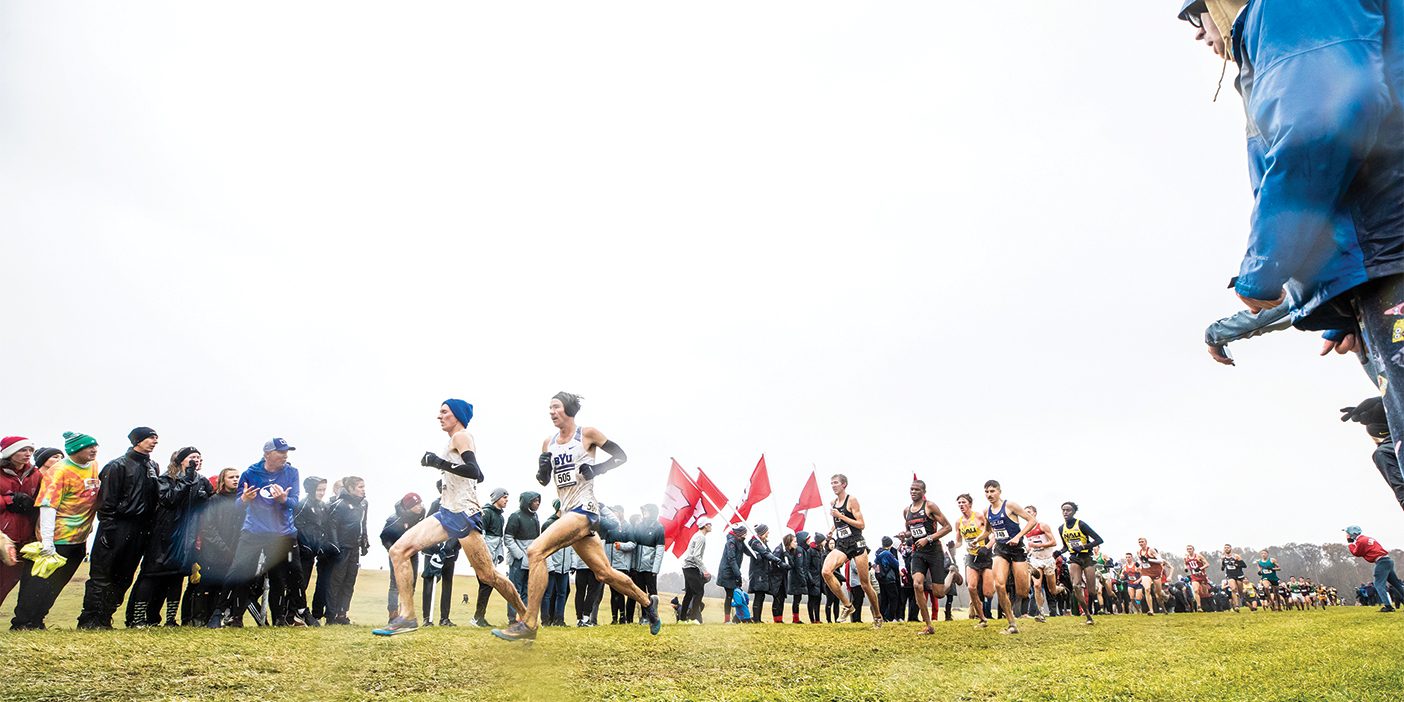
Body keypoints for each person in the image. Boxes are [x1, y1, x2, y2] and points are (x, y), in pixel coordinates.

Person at [492, 391, 660, 642]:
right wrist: (542, 469)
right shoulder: (548, 443)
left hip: (586, 509)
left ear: (569, 409)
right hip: (569, 511)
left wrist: (596, 469)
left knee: (535, 551)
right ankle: (648, 603)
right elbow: (544, 480)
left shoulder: (587, 434)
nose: (551, 412)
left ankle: (529, 623)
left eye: (556, 407)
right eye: (549, 408)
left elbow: (620, 456)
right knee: (603, 573)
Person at [377, 400, 528, 636]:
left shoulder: (462, 436)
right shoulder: (455, 440)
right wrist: (448, 475)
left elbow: (475, 471)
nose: (439, 416)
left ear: (456, 415)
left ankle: (526, 617)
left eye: (444, 412)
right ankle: (407, 617)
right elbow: (479, 476)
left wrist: (439, 463)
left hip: (464, 515)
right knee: (398, 551)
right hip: (448, 512)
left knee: (488, 575)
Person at [208, 438, 305, 628]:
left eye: (287, 452)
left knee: (280, 576)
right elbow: (237, 506)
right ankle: (226, 614)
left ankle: (280, 618)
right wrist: (244, 499)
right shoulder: (250, 473)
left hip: (282, 534)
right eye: (281, 452)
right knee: (240, 572)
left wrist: (284, 499)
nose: (285, 455)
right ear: (267, 454)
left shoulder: (292, 472)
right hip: (254, 532)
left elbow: (294, 502)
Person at [11, 433, 101, 630]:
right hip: (58, 538)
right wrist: (48, 541)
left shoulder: (93, 465)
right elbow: (47, 506)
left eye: (95, 446)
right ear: (75, 450)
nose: (94, 450)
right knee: (38, 584)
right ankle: (22, 623)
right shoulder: (59, 471)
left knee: (57, 585)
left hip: (79, 538)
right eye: (88, 447)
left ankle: (38, 621)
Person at [78, 426, 160, 629]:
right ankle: (90, 619)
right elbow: (107, 500)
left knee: (125, 575)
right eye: (150, 438)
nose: (154, 441)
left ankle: (106, 616)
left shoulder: (152, 467)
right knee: (103, 573)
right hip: (119, 524)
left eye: (156, 438)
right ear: (137, 440)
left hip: (142, 527)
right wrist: (108, 527)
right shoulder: (117, 466)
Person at [129, 447, 213, 626]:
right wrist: (187, 478)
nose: (196, 460)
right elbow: (169, 500)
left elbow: (208, 505)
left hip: (186, 535)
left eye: (198, 457)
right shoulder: (166, 479)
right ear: (181, 460)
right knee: (151, 575)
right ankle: (138, 618)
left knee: (177, 576)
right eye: (192, 457)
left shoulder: (202, 481)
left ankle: (170, 619)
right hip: (164, 534)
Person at [819, 474, 882, 627]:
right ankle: (848, 605)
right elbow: (839, 521)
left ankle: (878, 616)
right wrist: (832, 529)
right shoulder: (833, 502)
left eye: (836, 483)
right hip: (842, 544)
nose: (833, 486)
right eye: (831, 483)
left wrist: (840, 515)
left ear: (844, 484)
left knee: (865, 584)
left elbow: (861, 524)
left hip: (857, 543)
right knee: (826, 572)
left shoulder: (851, 500)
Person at [188, 467, 242, 626]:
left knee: (224, 586)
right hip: (213, 552)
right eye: (231, 477)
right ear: (222, 480)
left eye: (238, 476)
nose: (235, 479)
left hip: (234, 550)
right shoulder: (214, 501)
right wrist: (224, 548)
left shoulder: (241, 502)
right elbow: (208, 528)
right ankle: (199, 619)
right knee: (206, 586)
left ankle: (218, 618)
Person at [982, 480, 1036, 634]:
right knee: (999, 585)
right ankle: (1012, 624)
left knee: (1022, 592)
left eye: (992, 491)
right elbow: (988, 531)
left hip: (1017, 549)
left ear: (999, 491)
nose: (989, 495)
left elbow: (1032, 521)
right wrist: (976, 540)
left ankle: (1029, 570)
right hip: (1000, 550)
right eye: (986, 492)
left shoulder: (1010, 505)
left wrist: (1018, 536)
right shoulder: (987, 511)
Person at [901, 479, 952, 635]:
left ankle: (952, 574)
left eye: (917, 489)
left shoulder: (930, 506)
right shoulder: (906, 510)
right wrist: (905, 535)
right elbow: (911, 531)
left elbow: (947, 527)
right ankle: (928, 625)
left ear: (923, 492)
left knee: (939, 593)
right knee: (917, 585)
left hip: (934, 550)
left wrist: (929, 538)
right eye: (911, 489)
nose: (913, 492)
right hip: (918, 552)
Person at [0, 436, 41, 608]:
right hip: (1, 535)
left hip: (23, 538)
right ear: (10, 452)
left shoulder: (35, 473)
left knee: (7, 583)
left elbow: (42, 500)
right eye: (22, 450)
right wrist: (9, 501)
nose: (28, 454)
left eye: (30, 450)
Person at [325, 476, 368, 625]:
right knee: (336, 581)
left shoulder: (362, 505)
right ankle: (331, 616)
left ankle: (342, 614)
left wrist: (364, 540)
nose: (363, 490)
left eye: (363, 487)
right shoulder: (340, 504)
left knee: (350, 581)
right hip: (342, 548)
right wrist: (335, 545)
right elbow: (331, 525)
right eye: (360, 487)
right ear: (350, 489)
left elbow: (363, 524)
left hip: (354, 547)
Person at [378, 493, 426, 625]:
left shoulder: (420, 516)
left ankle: (406, 614)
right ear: (409, 507)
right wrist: (393, 551)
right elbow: (384, 537)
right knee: (395, 584)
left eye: (420, 503)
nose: (420, 506)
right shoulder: (394, 519)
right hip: (398, 554)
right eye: (416, 505)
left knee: (411, 583)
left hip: (412, 553)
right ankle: (393, 616)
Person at [420, 481, 463, 627]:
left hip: (449, 553)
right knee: (430, 582)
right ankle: (427, 618)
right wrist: (434, 548)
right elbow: (427, 527)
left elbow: (461, 529)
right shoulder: (435, 505)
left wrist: (453, 547)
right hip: (433, 552)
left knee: (447, 584)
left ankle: (445, 618)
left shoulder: (458, 506)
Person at [1054, 502, 1103, 625]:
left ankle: (1094, 606)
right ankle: (1087, 615)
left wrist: (1084, 546)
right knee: (1076, 586)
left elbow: (1099, 540)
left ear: (1074, 511)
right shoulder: (1061, 528)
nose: (1065, 512)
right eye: (1063, 510)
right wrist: (1059, 552)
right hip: (1074, 558)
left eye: (1068, 510)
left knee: (1092, 591)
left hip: (1086, 558)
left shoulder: (1081, 524)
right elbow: (1066, 546)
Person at [294, 475, 334, 626]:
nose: (322, 492)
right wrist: (304, 544)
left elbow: (322, 528)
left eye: (324, 489)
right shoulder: (303, 504)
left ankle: (296, 614)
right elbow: (297, 524)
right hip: (302, 550)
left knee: (305, 581)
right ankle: (291, 612)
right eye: (319, 489)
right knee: (300, 582)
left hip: (313, 550)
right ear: (310, 489)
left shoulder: (323, 506)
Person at [471, 487, 509, 628]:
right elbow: (481, 536)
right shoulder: (486, 513)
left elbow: (499, 538)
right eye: (504, 497)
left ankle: (479, 617)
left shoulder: (500, 517)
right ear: (497, 498)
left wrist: (499, 554)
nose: (506, 500)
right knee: (486, 585)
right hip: (483, 557)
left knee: (486, 586)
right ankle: (477, 618)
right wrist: (482, 556)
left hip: (492, 557)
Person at [503, 490, 541, 622]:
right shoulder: (515, 516)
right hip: (518, 561)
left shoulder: (535, 517)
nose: (538, 503)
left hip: (531, 560)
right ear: (527, 502)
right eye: (535, 501)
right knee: (515, 590)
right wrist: (519, 556)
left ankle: (523, 617)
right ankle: (512, 618)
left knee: (526, 590)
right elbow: (508, 538)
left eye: (538, 501)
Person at [1346, 526, 1404, 612]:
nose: (1347, 535)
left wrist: (1350, 543)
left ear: (1353, 534)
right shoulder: (1367, 538)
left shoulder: (1360, 541)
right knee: (1396, 584)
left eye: (1348, 534)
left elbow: (1356, 553)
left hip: (1381, 562)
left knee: (1378, 585)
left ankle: (1388, 606)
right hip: (1388, 560)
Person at [955, 493, 991, 628]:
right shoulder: (958, 522)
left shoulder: (979, 516)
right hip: (971, 556)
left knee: (988, 592)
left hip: (985, 555)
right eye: (959, 503)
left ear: (970, 504)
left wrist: (986, 547)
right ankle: (982, 618)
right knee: (971, 587)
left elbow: (991, 534)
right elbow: (959, 542)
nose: (961, 505)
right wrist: (953, 545)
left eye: (963, 502)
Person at [1023, 505, 1061, 623]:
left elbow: (1054, 542)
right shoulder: (1026, 529)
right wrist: (1029, 550)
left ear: (1035, 513)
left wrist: (1038, 546)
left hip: (1048, 559)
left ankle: (1062, 589)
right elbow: (1031, 545)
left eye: (1029, 512)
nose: (1027, 514)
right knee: (1037, 586)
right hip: (1036, 560)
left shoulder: (1042, 525)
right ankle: (1041, 613)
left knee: (1052, 590)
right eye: (1025, 513)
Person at [540, 500, 574, 627]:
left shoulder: (570, 525)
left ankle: (559, 620)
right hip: (552, 567)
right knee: (547, 594)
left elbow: (572, 545)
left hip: (564, 567)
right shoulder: (548, 524)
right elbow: (544, 547)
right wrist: (550, 565)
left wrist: (573, 563)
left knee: (562, 594)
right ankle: (545, 621)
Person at [746, 523, 783, 622]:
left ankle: (758, 618)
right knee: (758, 595)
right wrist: (778, 561)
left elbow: (770, 552)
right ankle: (756, 618)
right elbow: (765, 554)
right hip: (758, 573)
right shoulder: (756, 543)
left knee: (761, 595)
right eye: (767, 531)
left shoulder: (763, 543)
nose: (768, 533)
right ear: (763, 532)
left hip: (763, 572)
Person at [717, 523, 750, 624]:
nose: (746, 535)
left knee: (731, 595)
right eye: (744, 534)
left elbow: (748, 551)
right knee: (730, 595)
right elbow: (731, 559)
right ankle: (727, 620)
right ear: (739, 534)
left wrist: (757, 552)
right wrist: (738, 575)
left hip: (733, 573)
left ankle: (734, 618)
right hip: (727, 573)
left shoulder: (740, 541)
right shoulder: (731, 542)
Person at [679, 517, 711, 623]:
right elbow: (696, 556)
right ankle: (693, 618)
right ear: (705, 526)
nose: (711, 526)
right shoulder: (701, 537)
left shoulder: (697, 535)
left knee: (689, 593)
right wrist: (704, 570)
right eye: (709, 524)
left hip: (687, 566)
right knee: (699, 592)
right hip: (691, 567)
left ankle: (682, 619)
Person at [788, 531, 812, 623]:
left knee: (798, 599)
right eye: (808, 539)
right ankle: (795, 619)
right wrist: (803, 580)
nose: (810, 541)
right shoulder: (799, 550)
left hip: (799, 578)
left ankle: (796, 618)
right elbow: (799, 567)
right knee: (797, 599)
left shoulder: (803, 550)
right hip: (797, 579)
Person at [1219, 544, 1248, 613]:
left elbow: (1244, 565)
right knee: (1233, 589)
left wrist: (1236, 564)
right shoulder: (1223, 557)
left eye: (1228, 548)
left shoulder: (1236, 556)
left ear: (1231, 549)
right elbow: (1222, 568)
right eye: (1225, 548)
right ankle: (1236, 606)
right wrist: (1222, 562)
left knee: (1240, 592)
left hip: (1238, 575)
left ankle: (1242, 599)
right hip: (1230, 575)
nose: (1226, 549)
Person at [805, 533, 825, 623]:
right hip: (812, 579)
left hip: (820, 580)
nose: (825, 542)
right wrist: (810, 579)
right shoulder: (810, 551)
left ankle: (818, 619)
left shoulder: (821, 551)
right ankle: (812, 619)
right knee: (811, 600)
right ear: (820, 542)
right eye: (824, 540)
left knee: (818, 599)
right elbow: (806, 566)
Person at [1184, 545, 1210, 612]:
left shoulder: (1198, 556)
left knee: (1205, 593)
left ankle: (1208, 606)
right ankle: (1199, 607)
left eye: (1190, 549)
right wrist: (1186, 568)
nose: (1189, 550)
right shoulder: (1186, 558)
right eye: (1188, 549)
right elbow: (1185, 564)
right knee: (1195, 590)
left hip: (1202, 576)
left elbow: (1207, 564)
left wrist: (1200, 568)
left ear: (1193, 549)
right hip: (1194, 577)